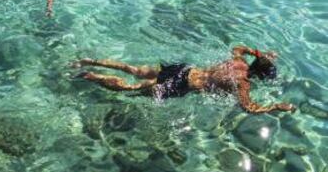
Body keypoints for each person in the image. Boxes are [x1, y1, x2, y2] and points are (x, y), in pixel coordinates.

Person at [73, 45, 296, 114]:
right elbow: (249, 108)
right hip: (182, 85)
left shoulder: (238, 62)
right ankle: (91, 76)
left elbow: (237, 47)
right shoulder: (243, 84)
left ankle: (89, 61)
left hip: (184, 70)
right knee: (131, 88)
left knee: (134, 70)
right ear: (259, 76)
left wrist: (260, 54)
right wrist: (276, 106)